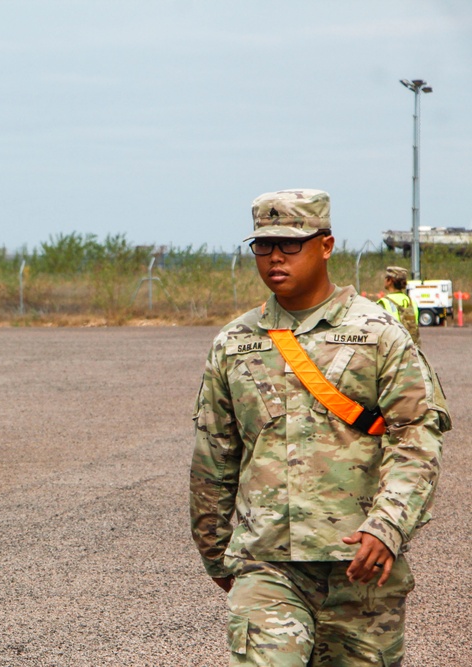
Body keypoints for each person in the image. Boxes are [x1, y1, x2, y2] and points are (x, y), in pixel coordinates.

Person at [189, 189, 449, 666]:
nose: (274, 258)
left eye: (290, 244)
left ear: (325, 246)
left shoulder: (379, 334)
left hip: (360, 565)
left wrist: (388, 525)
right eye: (263, 246)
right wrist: (213, 546)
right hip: (266, 563)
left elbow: (415, 438)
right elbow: (215, 452)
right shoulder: (234, 342)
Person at [376, 266, 421, 346]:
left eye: (386, 278)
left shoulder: (383, 302)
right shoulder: (412, 302)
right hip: (411, 349)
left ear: (390, 281)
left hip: (393, 350)